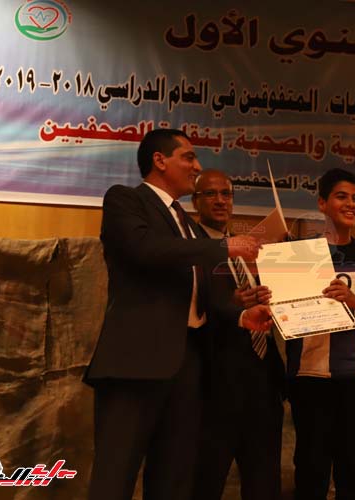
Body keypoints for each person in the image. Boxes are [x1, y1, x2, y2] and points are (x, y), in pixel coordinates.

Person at [83, 129, 272, 500]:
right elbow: (146, 249)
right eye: (188, 157)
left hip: (188, 367)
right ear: (159, 160)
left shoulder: (186, 223)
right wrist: (224, 246)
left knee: (174, 479)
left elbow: (199, 291)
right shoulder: (126, 199)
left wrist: (240, 315)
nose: (197, 167)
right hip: (136, 363)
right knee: (115, 477)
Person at [286, 168, 355, 500]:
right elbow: (284, 318)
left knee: (354, 474)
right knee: (310, 473)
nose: (351, 204)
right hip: (309, 376)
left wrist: (353, 301)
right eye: (341, 196)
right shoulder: (299, 253)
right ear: (322, 203)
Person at [191, 169, 285, 500]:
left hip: (262, 384)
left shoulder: (247, 250)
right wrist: (235, 307)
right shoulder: (191, 248)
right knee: (205, 484)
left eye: (226, 194)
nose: (220, 201)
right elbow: (190, 308)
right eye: (210, 194)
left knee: (263, 485)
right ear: (195, 201)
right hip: (215, 387)